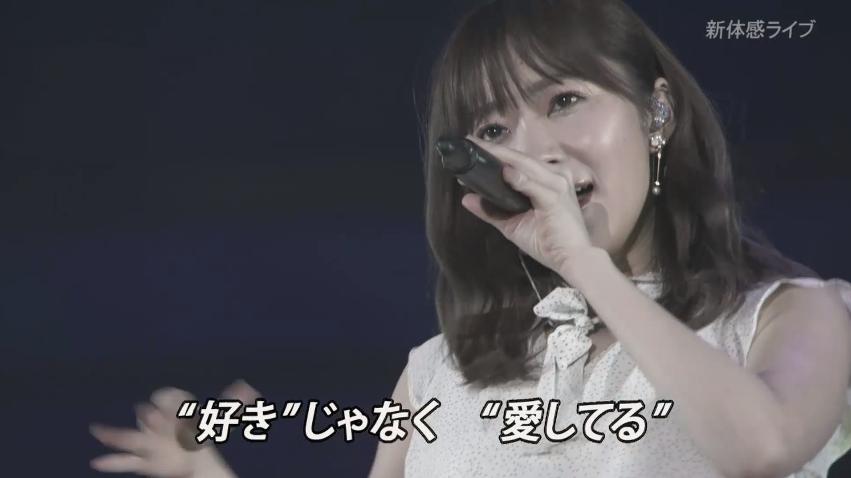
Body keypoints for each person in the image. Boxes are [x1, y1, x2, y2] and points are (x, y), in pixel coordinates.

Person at [89, 0, 851, 476]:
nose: (531, 150)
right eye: (492, 129)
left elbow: (762, 448)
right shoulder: (438, 371)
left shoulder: (788, 314)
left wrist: (587, 266)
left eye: (563, 100)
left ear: (656, 113)